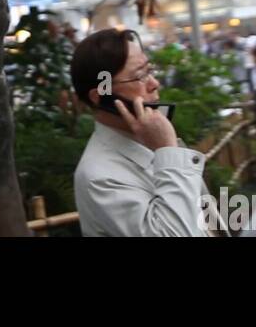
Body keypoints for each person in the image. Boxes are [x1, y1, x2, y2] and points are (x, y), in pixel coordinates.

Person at [71, 29, 211, 237]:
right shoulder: (99, 177)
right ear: (102, 95)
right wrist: (167, 150)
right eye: (140, 76)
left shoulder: (149, 140)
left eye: (150, 71)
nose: (154, 83)